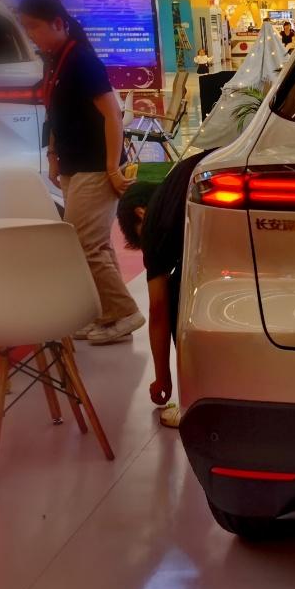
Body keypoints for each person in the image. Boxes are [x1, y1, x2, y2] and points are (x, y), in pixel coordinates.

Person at [17, 0, 144, 345]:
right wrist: (53, 155)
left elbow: (113, 116)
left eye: (34, 27)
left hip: (95, 166)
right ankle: (107, 314)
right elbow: (56, 113)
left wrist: (112, 168)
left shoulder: (81, 61)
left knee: (82, 244)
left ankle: (124, 312)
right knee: (95, 244)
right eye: (26, 28)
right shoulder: (55, 60)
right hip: (74, 164)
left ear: (58, 23)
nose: (31, 35)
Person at [116, 149, 214, 426]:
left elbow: (158, 310)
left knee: (175, 294)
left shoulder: (154, 221)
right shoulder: (179, 184)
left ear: (140, 213)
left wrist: (163, 378)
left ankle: (194, 402)